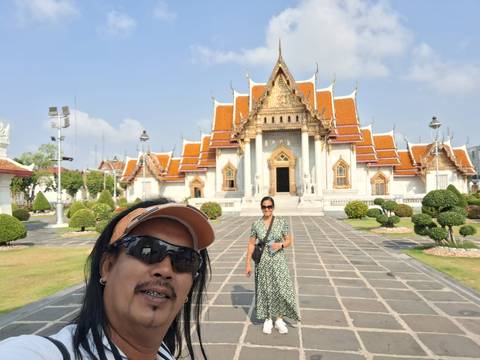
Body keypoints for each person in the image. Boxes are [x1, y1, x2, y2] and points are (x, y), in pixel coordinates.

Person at [0, 198, 214, 359]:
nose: (166, 270)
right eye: (147, 250)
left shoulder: (163, 353)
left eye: (185, 260)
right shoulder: (42, 353)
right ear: (108, 267)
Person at [245, 196, 300, 334]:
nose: (267, 209)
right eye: (264, 207)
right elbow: (251, 243)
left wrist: (280, 244)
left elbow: (288, 240)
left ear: (273, 207)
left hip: (278, 260)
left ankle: (279, 319)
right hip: (262, 262)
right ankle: (268, 319)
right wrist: (248, 264)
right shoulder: (256, 224)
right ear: (261, 208)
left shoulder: (281, 222)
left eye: (269, 207)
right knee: (265, 289)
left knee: (281, 288)